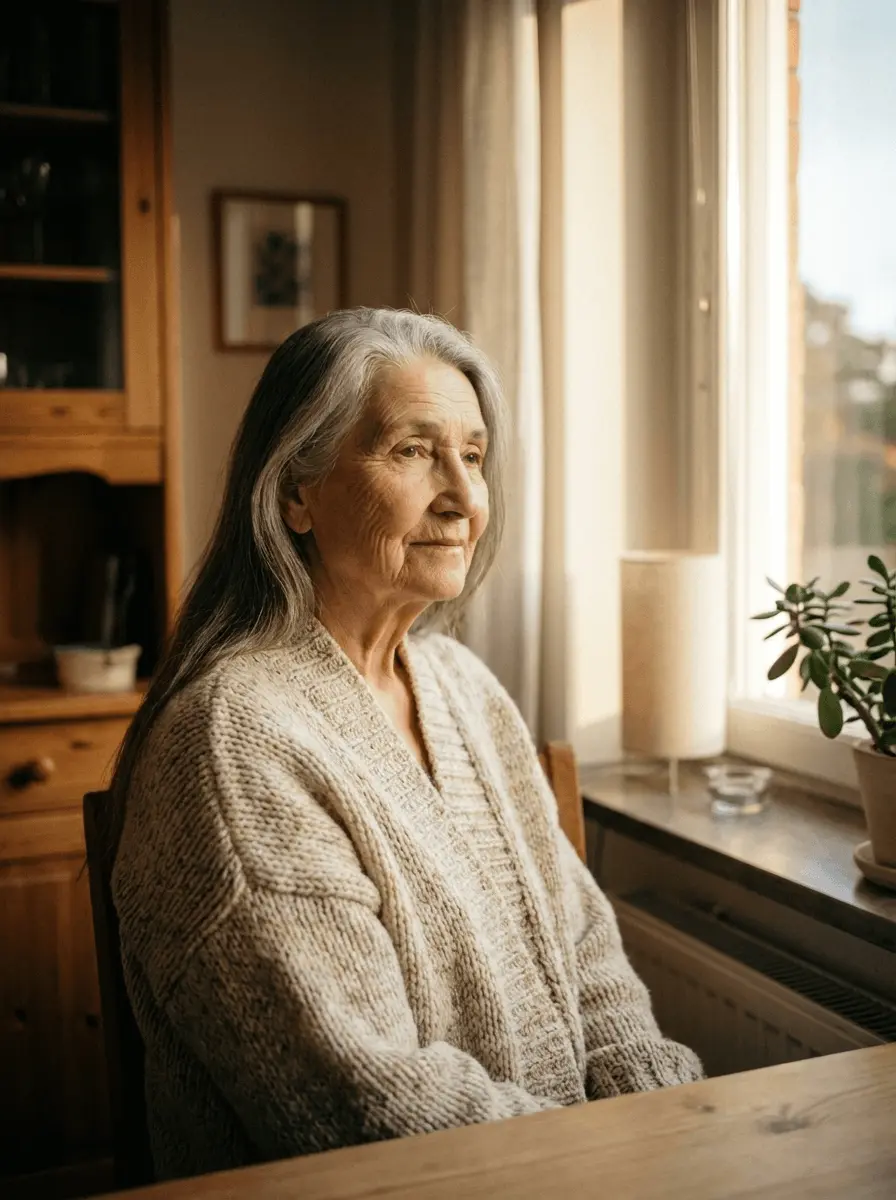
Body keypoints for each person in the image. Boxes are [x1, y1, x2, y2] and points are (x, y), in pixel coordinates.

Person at [110, 308, 702, 1180]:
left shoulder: (465, 686)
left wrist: (672, 1127)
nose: (463, 498)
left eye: (473, 455)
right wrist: (604, 1162)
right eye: (413, 451)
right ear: (294, 495)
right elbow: (363, 1105)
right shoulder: (234, 742)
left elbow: (589, 959)